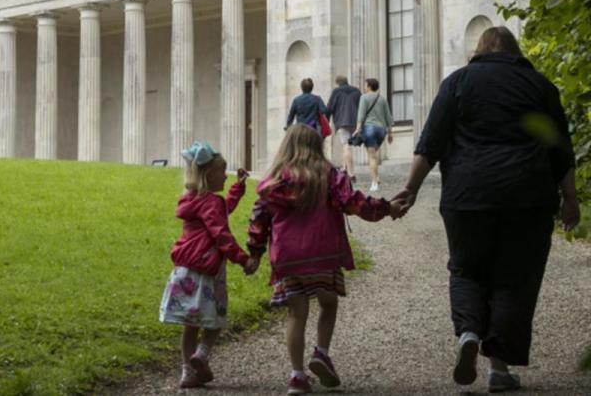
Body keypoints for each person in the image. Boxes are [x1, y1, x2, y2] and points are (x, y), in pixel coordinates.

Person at [394, 26, 580, 393]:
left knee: (466, 268)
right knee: (515, 277)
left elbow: (430, 142)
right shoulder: (540, 86)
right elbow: (560, 149)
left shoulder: (457, 82)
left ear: (478, 51)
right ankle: (499, 369)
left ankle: (468, 332)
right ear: (516, 51)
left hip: (468, 197)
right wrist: (570, 199)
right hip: (527, 199)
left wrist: (409, 190)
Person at [247, 124, 406, 395]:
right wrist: (386, 208)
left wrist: (255, 253)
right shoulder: (329, 174)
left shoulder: (274, 181)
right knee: (328, 303)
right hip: (324, 253)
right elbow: (353, 202)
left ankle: (297, 376)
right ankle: (321, 352)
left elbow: (259, 219)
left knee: (297, 313)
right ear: (316, 147)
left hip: (289, 258)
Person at [159, 141, 260, 389]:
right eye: (222, 173)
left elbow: (222, 209)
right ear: (209, 175)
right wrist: (243, 258)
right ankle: (202, 354)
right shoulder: (211, 203)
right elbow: (221, 234)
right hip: (208, 271)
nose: (225, 178)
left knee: (189, 324)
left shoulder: (192, 200)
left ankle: (187, 372)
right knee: (216, 318)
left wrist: (238, 187)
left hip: (185, 271)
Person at [354, 77, 394, 192]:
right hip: (381, 131)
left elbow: (361, 115)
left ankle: (374, 183)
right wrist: (390, 133)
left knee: (371, 156)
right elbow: (388, 117)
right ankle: (377, 177)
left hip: (370, 129)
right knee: (373, 155)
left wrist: (357, 129)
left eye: (365, 85)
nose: (364, 87)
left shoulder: (364, 97)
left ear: (369, 86)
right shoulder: (382, 99)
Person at [324, 75, 361, 172]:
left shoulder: (336, 91)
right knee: (347, 146)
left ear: (337, 83)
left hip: (342, 122)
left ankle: (351, 173)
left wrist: (326, 121)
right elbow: (362, 107)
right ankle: (344, 168)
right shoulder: (357, 91)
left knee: (346, 146)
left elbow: (329, 108)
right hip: (355, 122)